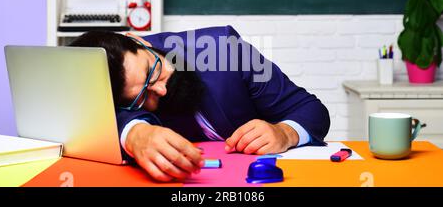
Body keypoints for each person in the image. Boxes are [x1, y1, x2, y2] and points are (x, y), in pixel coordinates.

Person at [70, 25, 330, 182]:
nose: (160, 90)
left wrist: (285, 132)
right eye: (141, 98)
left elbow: (311, 109)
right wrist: (133, 133)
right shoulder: (117, 99)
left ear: (140, 42)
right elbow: (84, 121)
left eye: (152, 71)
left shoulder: (227, 51)